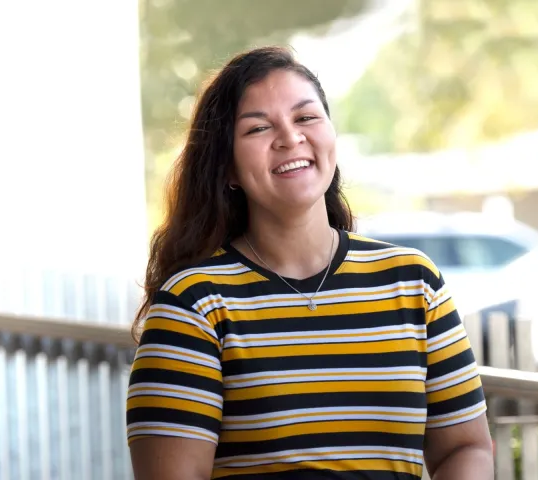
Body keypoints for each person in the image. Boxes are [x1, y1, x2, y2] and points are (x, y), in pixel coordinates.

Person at [126, 45, 494, 480]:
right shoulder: (193, 304)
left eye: (306, 118)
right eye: (258, 128)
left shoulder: (413, 282)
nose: (289, 137)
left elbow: (466, 448)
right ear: (226, 168)